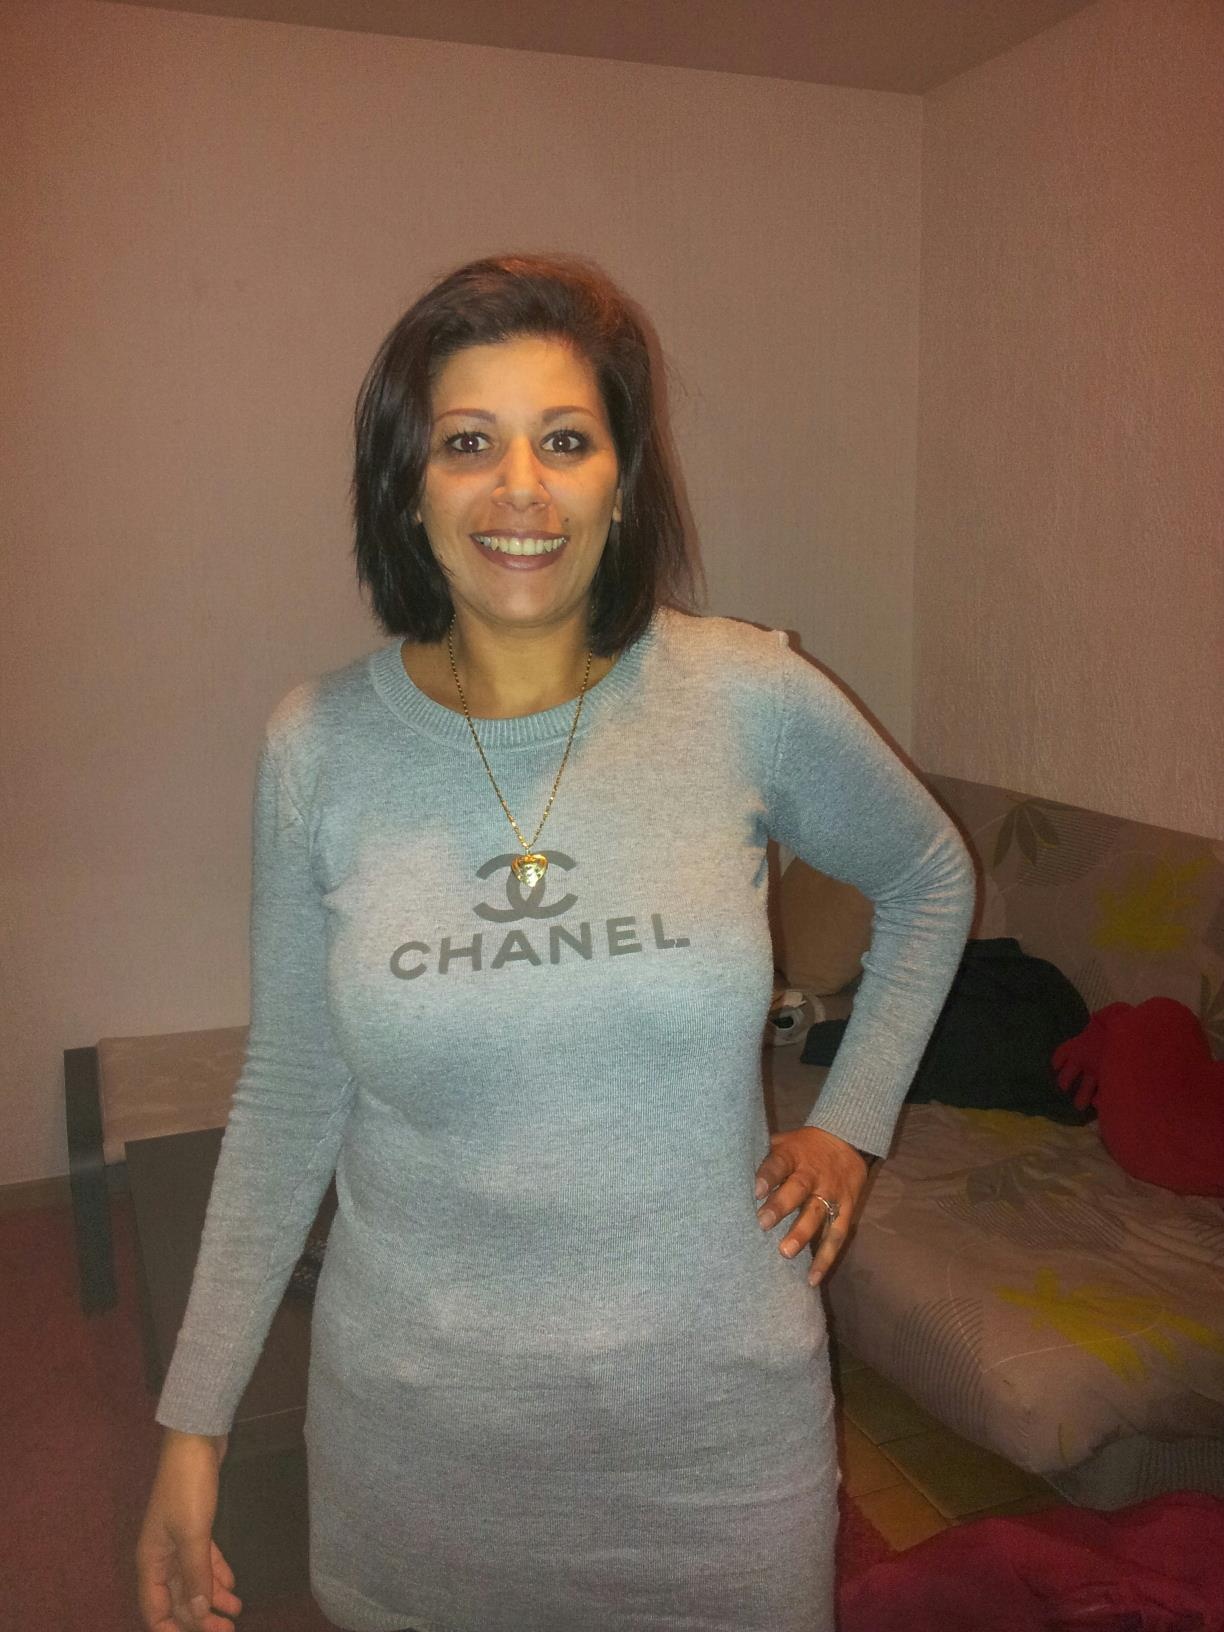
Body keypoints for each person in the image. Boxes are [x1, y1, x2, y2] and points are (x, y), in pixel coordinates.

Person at [136, 253, 975, 1632]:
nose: (520, 488)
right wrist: (195, 1424)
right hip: (420, 1452)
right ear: (407, 486)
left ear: (622, 482)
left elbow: (931, 875)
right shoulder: (319, 749)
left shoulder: (745, 695)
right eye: (468, 444)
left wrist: (850, 1121)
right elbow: (288, 1098)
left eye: (566, 442)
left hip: (716, 1446)